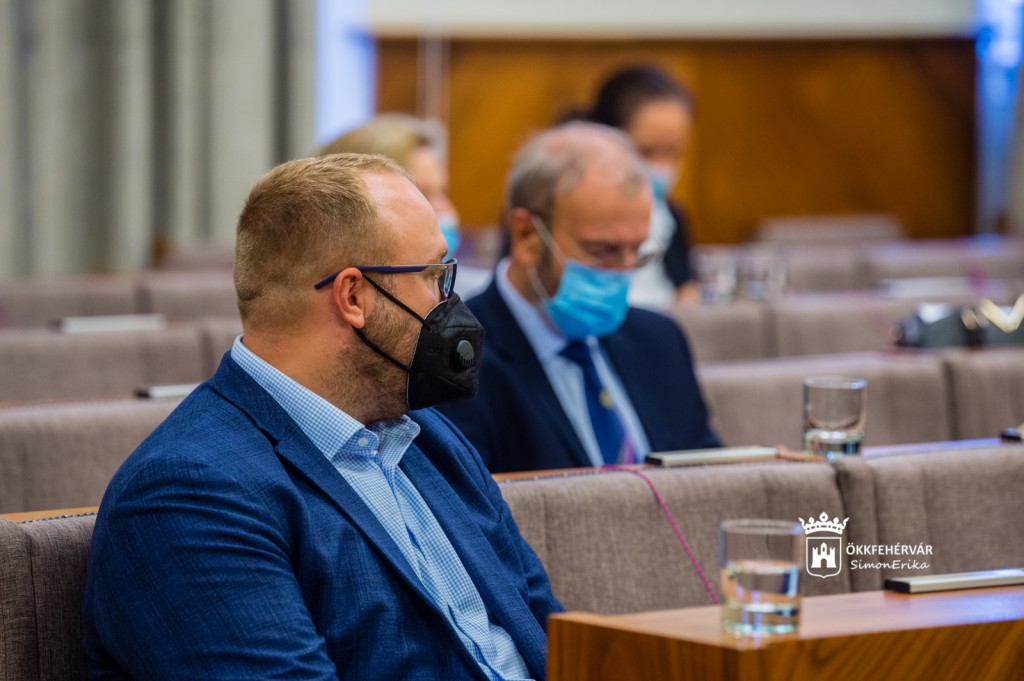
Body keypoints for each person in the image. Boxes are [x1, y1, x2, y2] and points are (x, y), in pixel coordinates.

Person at [83, 153, 562, 680]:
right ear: (353, 296)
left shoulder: (428, 437)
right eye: (433, 276)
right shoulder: (188, 493)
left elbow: (551, 636)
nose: (450, 304)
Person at [436, 122, 719, 474]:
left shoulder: (660, 342)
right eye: (602, 251)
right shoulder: (453, 362)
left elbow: (711, 480)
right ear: (527, 236)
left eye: (637, 252)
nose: (623, 272)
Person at [574, 65, 699, 308]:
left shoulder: (673, 217)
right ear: (604, 137)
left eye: (673, 152)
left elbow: (685, 290)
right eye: (647, 151)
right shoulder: (561, 214)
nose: (662, 167)